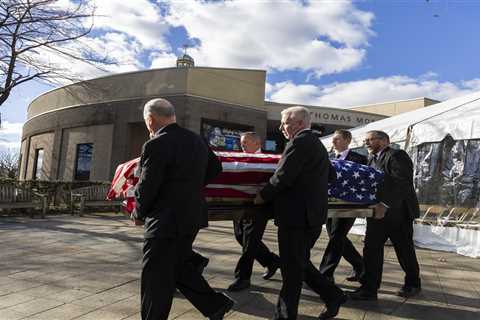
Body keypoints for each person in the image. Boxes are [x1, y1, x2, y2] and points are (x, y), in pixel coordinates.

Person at [132, 98, 234, 320]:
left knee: (155, 276)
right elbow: (216, 167)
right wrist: (191, 188)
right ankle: (215, 305)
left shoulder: (156, 144)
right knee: (176, 267)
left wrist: (139, 212)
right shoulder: (196, 140)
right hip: (192, 215)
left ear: (150, 119)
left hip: (165, 219)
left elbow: (147, 185)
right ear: (173, 116)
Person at [255, 106, 346, 320]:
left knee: (292, 269)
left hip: (296, 217)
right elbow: (331, 175)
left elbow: (282, 177)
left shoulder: (299, 142)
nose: (281, 127)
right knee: (299, 264)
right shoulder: (317, 144)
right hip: (312, 215)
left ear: (299, 124)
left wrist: (262, 196)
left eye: (285, 122)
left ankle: (285, 316)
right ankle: (333, 295)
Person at [349, 130, 421, 301]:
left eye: (369, 140)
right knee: (371, 250)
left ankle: (413, 284)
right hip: (376, 213)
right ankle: (369, 289)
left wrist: (384, 204)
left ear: (384, 140)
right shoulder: (372, 159)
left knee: (404, 250)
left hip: (399, 214)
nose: (366, 143)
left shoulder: (397, 155)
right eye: (365, 140)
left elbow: (401, 182)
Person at [228, 132, 280, 292]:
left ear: (257, 144)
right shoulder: (238, 159)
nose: (242, 146)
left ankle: (242, 278)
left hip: (259, 206)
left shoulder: (268, 160)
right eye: (241, 143)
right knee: (240, 237)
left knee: (250, 243)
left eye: (245, 143)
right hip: (240, 205)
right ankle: (271, 260)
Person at [319, 129, 366, 283]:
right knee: (336, 237)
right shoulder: (329, 157)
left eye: (337, 139)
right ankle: (360, 265)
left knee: (337, 236)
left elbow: (363, 181)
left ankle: (325, 273)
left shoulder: (360, 159)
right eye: (333, 139)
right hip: (330, 203)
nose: (333, 142)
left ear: (347, 140)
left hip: (349, 203)